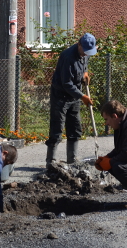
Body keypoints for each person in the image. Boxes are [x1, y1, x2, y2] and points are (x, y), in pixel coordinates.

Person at [45, 33, 97, 167]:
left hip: (74, 97)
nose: (86, 54)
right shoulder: (67, 57)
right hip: (60, 97)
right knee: (57, 129)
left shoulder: (85, 53)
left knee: (74, 128)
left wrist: (85, 72)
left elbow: (84, 64)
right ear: (79, 44)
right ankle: (51, 162)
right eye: (85, 51)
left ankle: (72, 160)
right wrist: (83, 97)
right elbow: (66, 83)